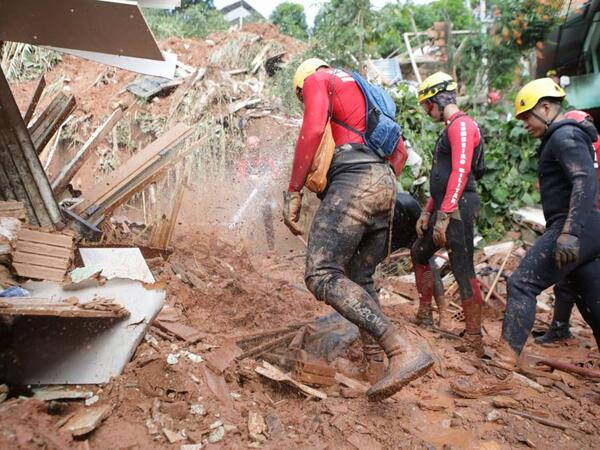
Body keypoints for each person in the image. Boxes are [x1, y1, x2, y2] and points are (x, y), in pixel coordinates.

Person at [282, 58, 433, 401]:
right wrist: (376, 183)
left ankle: (401, 349)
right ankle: (375, 366)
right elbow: (400, 154)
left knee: (320, 273)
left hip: (355, 179)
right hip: (385, 182)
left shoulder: (319, 80)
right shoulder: (369, 96)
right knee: (360, 276)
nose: (305, 99)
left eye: (301, 96)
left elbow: (313, 131)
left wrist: (293, 189)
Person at [452, 78, 600, 398]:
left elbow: (584, 180)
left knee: (521, 283)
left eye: (527, 117)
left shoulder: (564, 136)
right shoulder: (569, 135)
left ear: (546, 108)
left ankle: (501, 371)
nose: (524, 125)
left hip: (575, 226)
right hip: (591, 229)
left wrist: (569, 232)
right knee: (593, 305)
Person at [410, 72, 485, 355]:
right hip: (446, 206)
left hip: (459, 207)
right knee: (419, 252)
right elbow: (442, 178)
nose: (426, 111)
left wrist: (446, 213)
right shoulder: (451, 126)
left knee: (463, 266)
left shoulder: (462, 126)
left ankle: (474, 338)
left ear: (435, 101)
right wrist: (429, 210)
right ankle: (425, 314)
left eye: (426, 105)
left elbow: (460, 171)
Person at [535, 110, 600, 344]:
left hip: (586, 222)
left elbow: (582, 185)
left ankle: (560, 326)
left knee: (573, 276)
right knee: (572, 277)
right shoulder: (586, 144)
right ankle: (560, 326)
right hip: (588, 221)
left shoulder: (572, 142)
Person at [391, 193, 447, 328]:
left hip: (401, 212)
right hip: (409, 208)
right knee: (425, 259)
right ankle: (438, 315)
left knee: (423, 259)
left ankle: (438, 315)